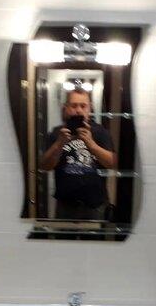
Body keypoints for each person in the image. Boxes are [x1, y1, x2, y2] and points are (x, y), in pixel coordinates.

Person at [40, 88, 116, 220]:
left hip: (95, 204)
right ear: (66, 108)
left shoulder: (101, 132)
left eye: (83, 106)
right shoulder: (57, 133)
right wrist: (59, 144)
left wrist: (91, 144)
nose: (78, 110)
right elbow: (45, 166)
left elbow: (112, 163)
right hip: (65, 205)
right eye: (74, 105)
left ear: (90, 108)